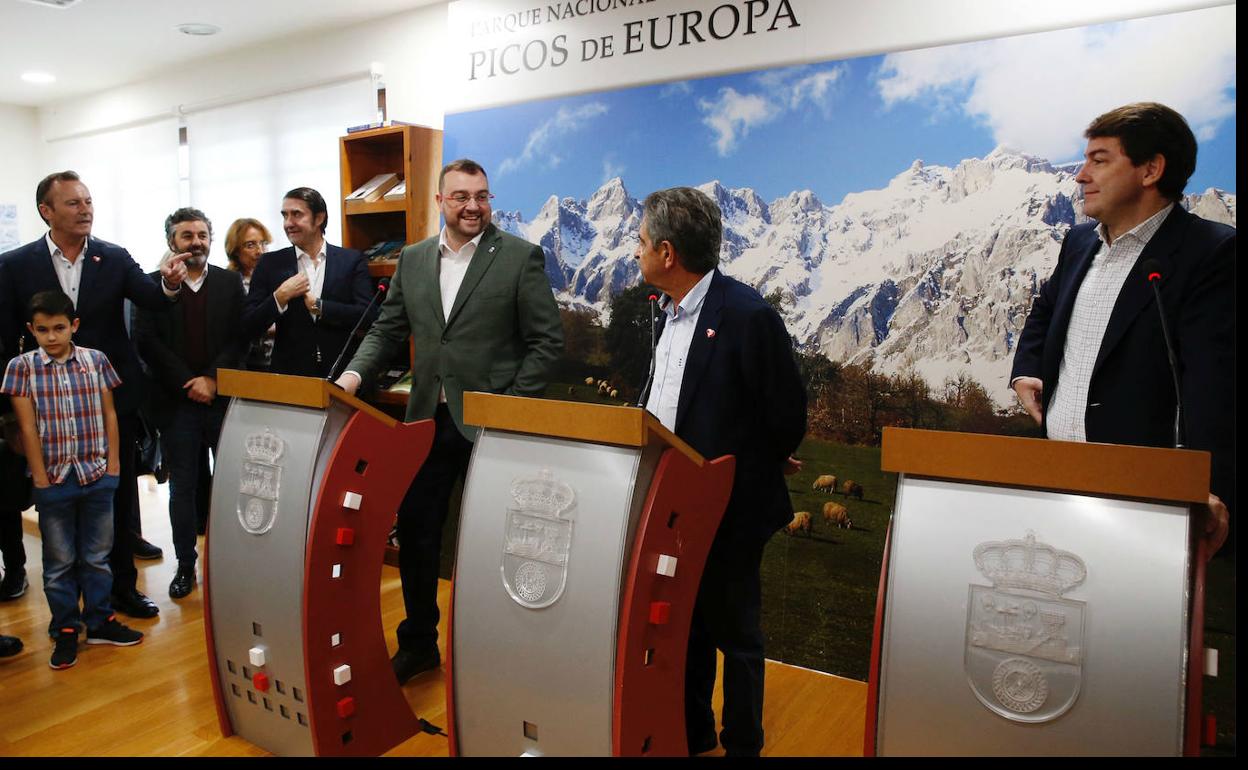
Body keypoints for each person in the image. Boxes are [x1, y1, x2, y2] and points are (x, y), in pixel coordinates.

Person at [335, 158, 564, 684]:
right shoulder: (414, 259)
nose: (473, 206)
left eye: (481, 196)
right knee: (418, 537)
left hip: (493, 431)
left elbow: (547, 343)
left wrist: (507, 406)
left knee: (493, 544)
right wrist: (351, 377)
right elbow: (387, 329)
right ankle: (419, 645)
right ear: (440, 201)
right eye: (461, 196)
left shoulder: (520, 257)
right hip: (427, 424)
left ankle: (493, 656)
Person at [1010, 102, 1235, 557]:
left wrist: (1206, 488)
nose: (1081, 175)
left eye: (1099, 160)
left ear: (1151, 170)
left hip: (1145, 499)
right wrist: (1027, 369)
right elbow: (1045, 309)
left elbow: (1215, 387)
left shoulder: (1212, 252)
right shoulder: (1078, 242)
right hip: (1057, 478)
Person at [634, 186, 806, 757]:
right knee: (686, 627)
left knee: (737, 635)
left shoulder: (748, 316)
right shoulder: (666, 314)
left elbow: (786, 414)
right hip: (673, 503)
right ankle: (694, 734)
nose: (635, 251)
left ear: (667, 253)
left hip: (733, 507)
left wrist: (757, 460)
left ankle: (742, 744)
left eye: (640, 241)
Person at [0, 170, 191, 620]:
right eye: (73, 203)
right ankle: (71, 605)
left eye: (88, 201)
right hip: (46, 407)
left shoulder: (113, 256)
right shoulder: (14, 265)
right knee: (59, 504)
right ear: (46, 211)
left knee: (116, 498)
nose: (85, 209)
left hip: (109, 400)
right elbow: (7, 338)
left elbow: (154, 299)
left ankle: (122, 589)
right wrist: (10, 414)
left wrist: (169, 282)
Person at [1, 290, 145, 669]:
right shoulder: (21, 368)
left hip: (96, 472)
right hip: (54, 478)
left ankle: (100, 621)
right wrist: (40, 478)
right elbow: (27, 427)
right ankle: (66, 627)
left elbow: (109, 414)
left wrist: (113, 466)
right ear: (31, 329)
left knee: (97, 556)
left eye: (59, 328)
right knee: (59, 561)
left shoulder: (95, 361)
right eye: (43, 330)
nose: (52, 337)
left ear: (74, 326)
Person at [133, 208, 245, 599]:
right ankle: (185, 565)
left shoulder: (230, 282)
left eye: (202, 235)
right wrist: (189, 383)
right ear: (172, 242)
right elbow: (146, 341)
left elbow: (239, 337)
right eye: (187, 236)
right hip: (176, 401)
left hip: (222, 398)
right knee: (182, 488)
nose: (196, 242)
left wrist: (212, 379)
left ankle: (231, 564)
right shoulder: (152, 286)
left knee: (230, 485)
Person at [241, 188, 372, 378]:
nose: (288, 223)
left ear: (319, 218)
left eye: (296, 214)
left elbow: (368, 316)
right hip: (290, 378)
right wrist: (279, 297)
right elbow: (248, 326)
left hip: (341, 375)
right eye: (285, 215)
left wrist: (321, 307)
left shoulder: (351, 260)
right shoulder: (270, 263)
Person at [224, 217, 275, 371]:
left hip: (278, 362)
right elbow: (237, 325)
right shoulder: (229, 282)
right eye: (250, 245)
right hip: (245, 363)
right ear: (235, 250)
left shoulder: (275, 277)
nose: (260, 251)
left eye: (263, 243)